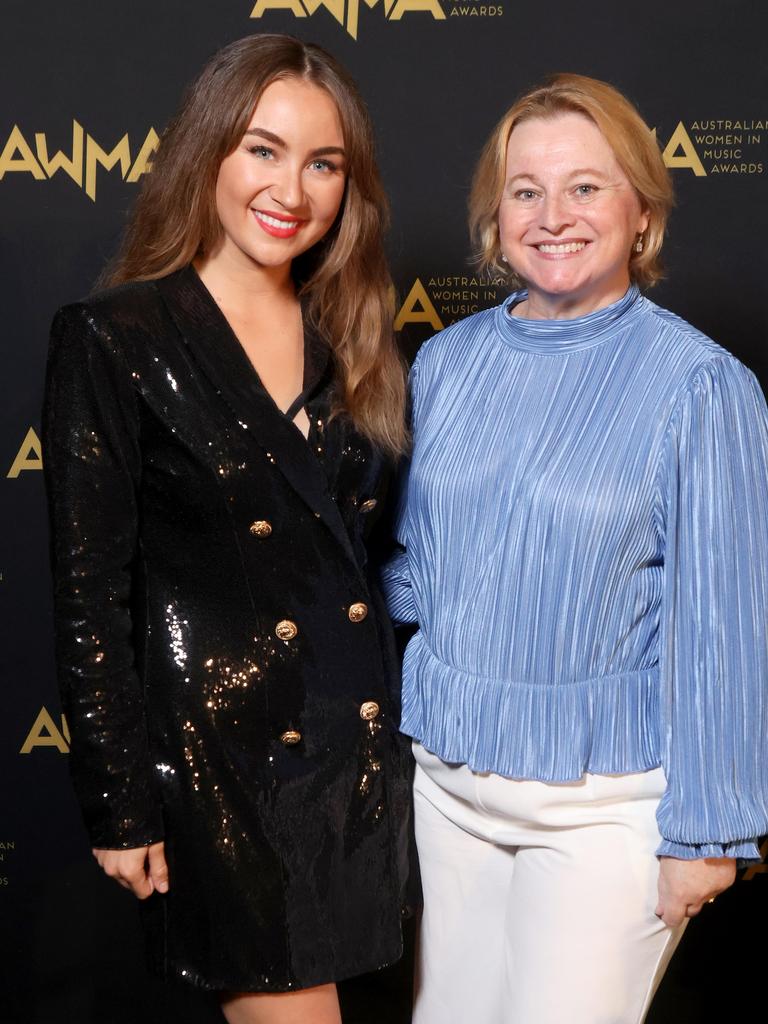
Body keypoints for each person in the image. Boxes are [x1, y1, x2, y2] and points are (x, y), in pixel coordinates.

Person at [382, 73, 768, 1024]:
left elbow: (721, 625)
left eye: (587, 187)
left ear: (643, 210)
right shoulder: (447, 361)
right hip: (449, 785)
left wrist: (708, 831)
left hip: (605, 812)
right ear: (496, 216)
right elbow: (421, 571)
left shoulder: (701, 387)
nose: (553, 215)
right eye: (526, 191)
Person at [43, 34, 410, 1024]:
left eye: (323, 162)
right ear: (206, 153)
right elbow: (90, 596)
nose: (292, 187)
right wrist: (120, 802)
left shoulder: (359, 340)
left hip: (371, 759)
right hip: (225, 769)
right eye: (262, 149)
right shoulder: (116, 338)